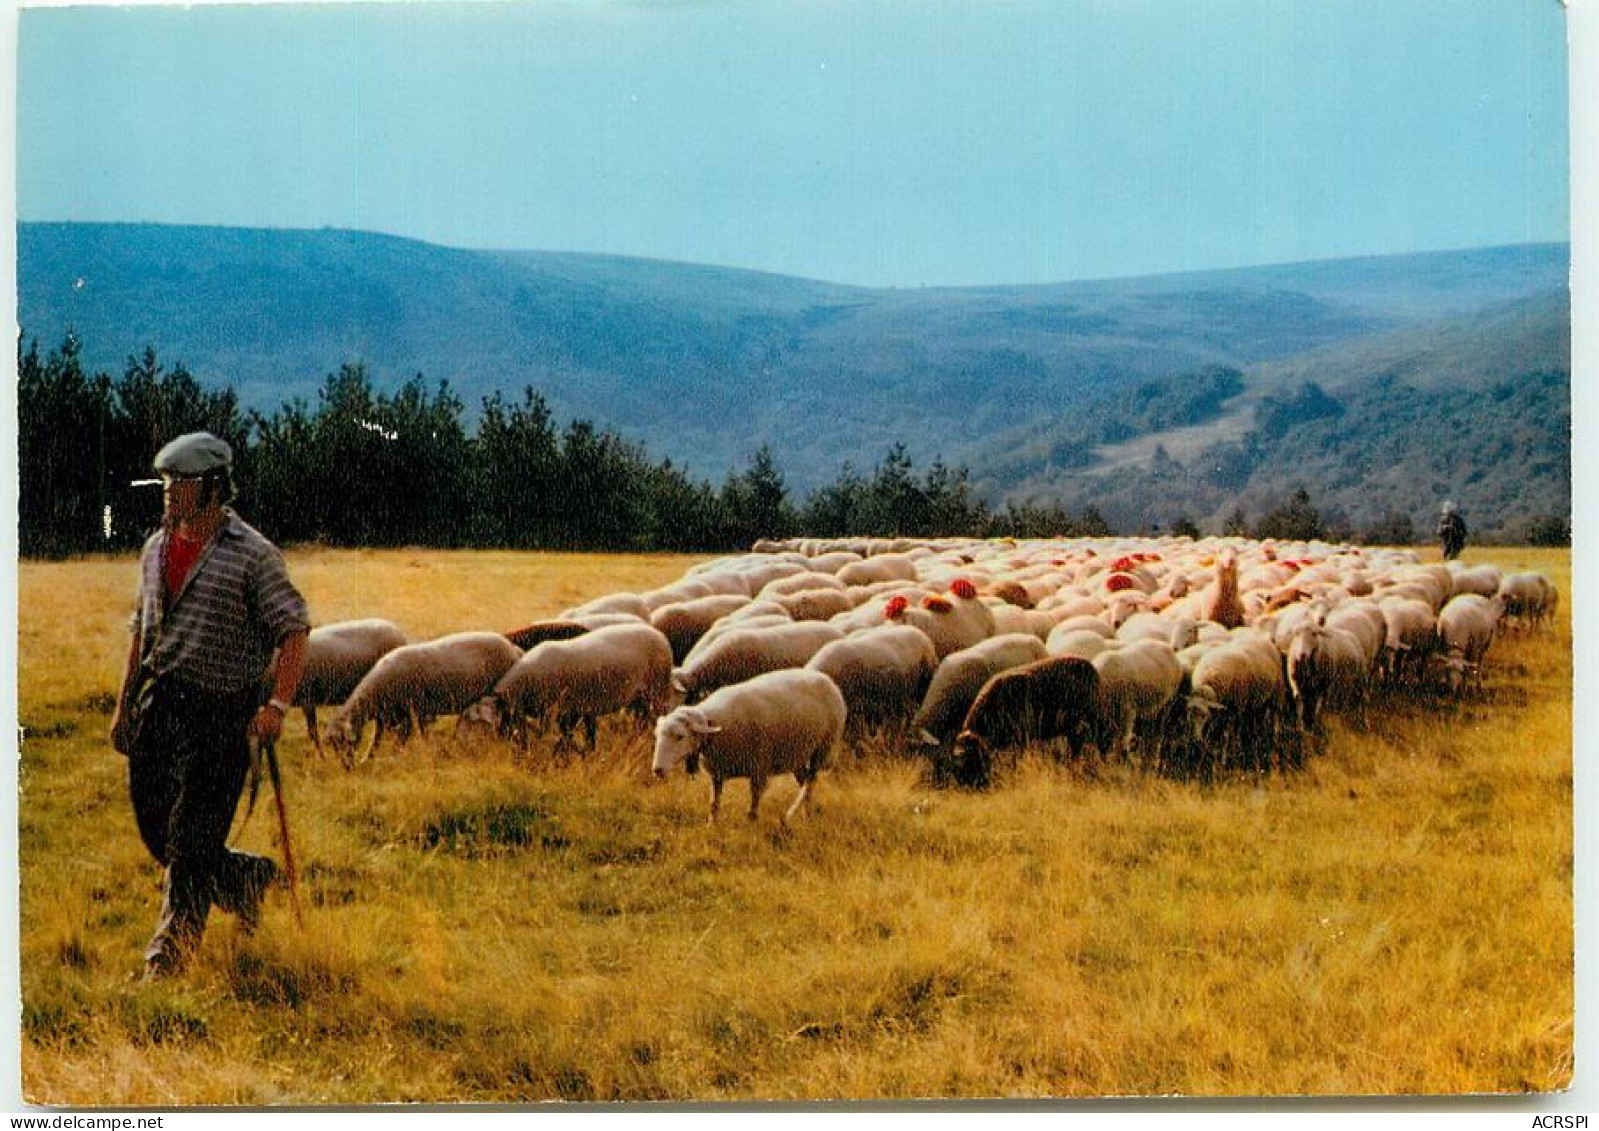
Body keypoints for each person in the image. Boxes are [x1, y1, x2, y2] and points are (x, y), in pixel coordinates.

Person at [109, 432, 311, 980]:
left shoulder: (253, 555)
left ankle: (166, 966)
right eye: (167, 482)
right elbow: (140, 628)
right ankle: (243, 878)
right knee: (160, 834)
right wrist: (124, 705)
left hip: (222, 714)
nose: (169, 492)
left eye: (182, 483)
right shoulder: (155, 548)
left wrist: (277, 703)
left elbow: (294, 630)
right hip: (159, 707)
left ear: (214, 487)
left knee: (192, 843)